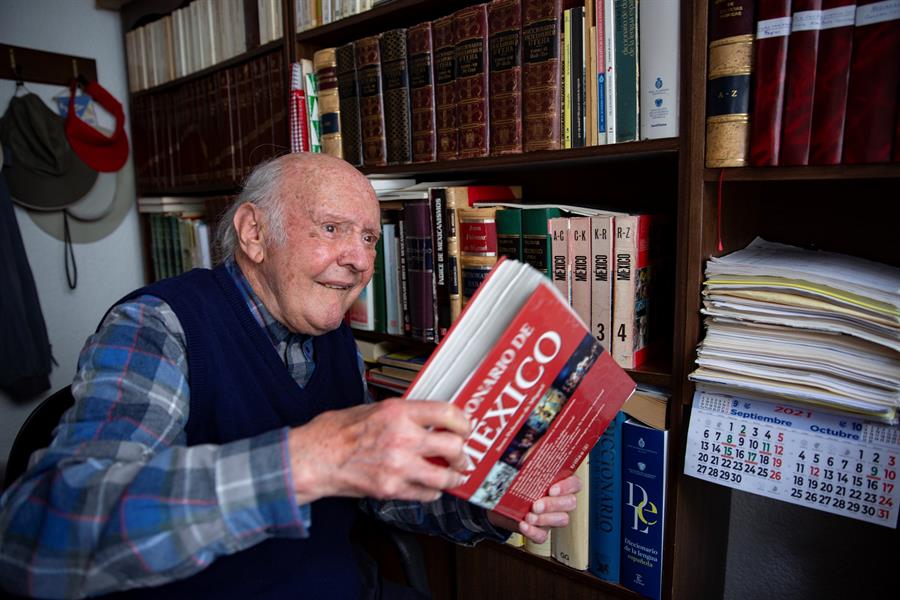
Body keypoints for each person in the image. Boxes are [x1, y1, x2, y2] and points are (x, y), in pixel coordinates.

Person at [0, 153, 581, 599]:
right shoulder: (159, 327)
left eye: (369, 237)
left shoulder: (334, 338)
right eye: (331, 228)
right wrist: (306, 460)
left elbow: (376, 496)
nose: (360, 260)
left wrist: (489, 507)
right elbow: (40, 536)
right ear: (254, 234)